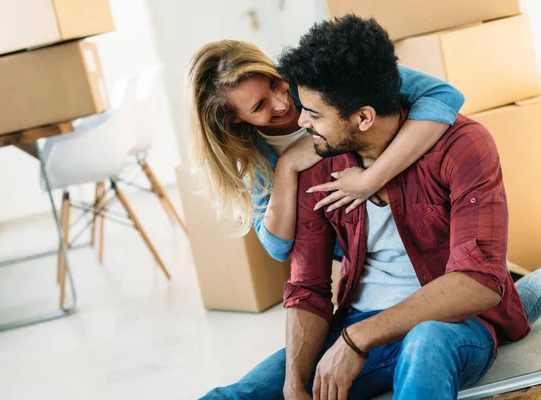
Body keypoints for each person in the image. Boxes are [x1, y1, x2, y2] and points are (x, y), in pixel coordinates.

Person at [200, 15, 534, 400]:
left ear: (363, 117)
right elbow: (305, 285)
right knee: (233, 396)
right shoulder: (315, 158)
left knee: (426, 342)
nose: (299, 119)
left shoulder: (461, 144)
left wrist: (357, 340)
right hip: (357, 320)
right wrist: (294, 384)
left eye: (313, 112)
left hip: (450, 324)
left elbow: (478, 282)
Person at [187, 39, 465, 264]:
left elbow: (445, 96)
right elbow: (277, 246)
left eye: (274, 82)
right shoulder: (251, 155)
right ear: (234, 118)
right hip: (369, 255)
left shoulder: (315, 72)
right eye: (259, 106)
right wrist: (287, 166)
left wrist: (370, 180)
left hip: (426, 218)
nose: (282, 104)